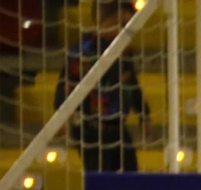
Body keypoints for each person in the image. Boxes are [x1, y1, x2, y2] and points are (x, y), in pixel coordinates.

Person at [56, 2, 147, 174]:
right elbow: (65, 84)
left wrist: (144, 112)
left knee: (129, 177)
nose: (124, 31)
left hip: (118, 127)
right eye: (121, 24)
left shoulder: (124, 51)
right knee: (101, 181)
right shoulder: (84, 50)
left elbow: (131, 82)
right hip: (91, 129)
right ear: (103, 21)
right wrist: (62, 116)